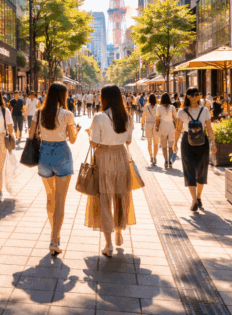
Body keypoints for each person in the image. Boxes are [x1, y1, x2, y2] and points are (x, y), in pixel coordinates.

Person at [85, 84, 144, 257]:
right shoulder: (127, 117)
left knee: (104, 198)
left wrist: (91, 134)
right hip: (121, 157)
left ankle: (108, 244)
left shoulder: (99, 117)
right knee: (121, 196)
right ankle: (119, 231)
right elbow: (127, 141)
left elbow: (94, 143)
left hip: (103, 157)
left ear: (104, 98)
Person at [30, 83, 80, 255]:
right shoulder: (67, 114)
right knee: (60, 201)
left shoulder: (39, 113)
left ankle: (55, 235)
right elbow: (72, 140)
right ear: (62, 96)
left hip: (44, 154)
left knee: (50, 198)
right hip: (62, 153)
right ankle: (54, 238)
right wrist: (76, 131)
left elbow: (30, 135)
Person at [173, 87, 216, 212]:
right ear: (187, 96)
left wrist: (214, 143)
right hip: (197, 141)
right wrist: (175, 142)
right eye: (191, 95)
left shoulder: (203, 110)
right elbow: (177, 129)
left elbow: (209, 128)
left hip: (193, 141)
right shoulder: (182, 111)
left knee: (196, 170)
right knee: (194, 170)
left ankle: (196, 198)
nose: (193, 97)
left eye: (196, 94)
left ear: (199, 96)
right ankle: (196, 198)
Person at [156, 93, 177, 169]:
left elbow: (157, 118)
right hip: (171, 127)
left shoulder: (159, 107)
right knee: (170, 145)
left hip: (162, 127)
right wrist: (177, 127)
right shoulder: (172, 107)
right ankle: (170, 161)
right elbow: (175, 118)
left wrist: (157, 126)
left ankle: (165, 161)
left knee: (164, 146)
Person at [141, 94, 159, 166]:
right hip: (155, 125)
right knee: (156, 142)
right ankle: (155, 157)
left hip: (148, 124)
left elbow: (143, 116)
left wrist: (142, 124)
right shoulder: (158, 106)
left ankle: (151, 156)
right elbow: (159, 117)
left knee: (149, 142)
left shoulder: (146, 106)